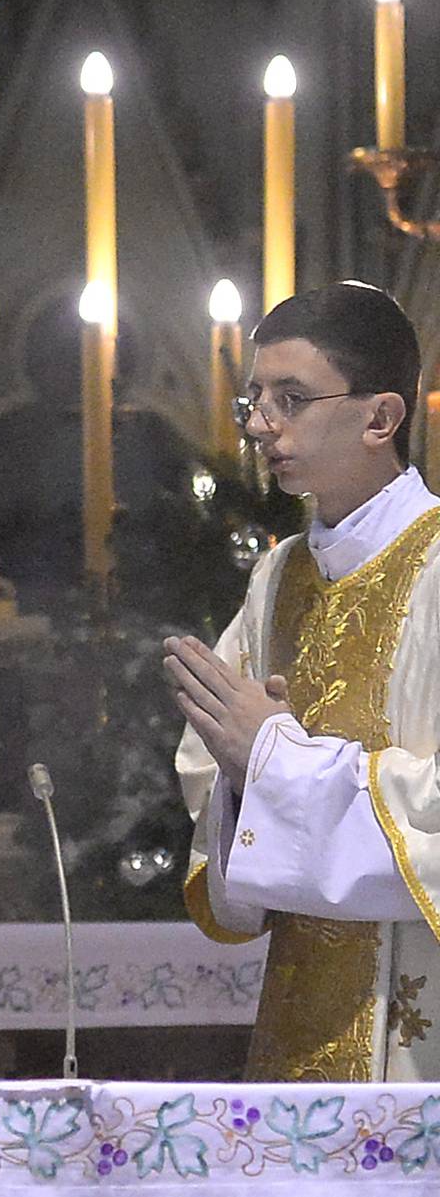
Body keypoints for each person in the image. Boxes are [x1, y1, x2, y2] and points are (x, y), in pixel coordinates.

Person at [166, 281, 440, 1081]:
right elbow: (212, 772)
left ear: (380, 417)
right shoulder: (279, 575)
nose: (259, 423)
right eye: (253, 397)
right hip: (297, 1018)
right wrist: (243, 774)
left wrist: (278, 755)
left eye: (291, 397)